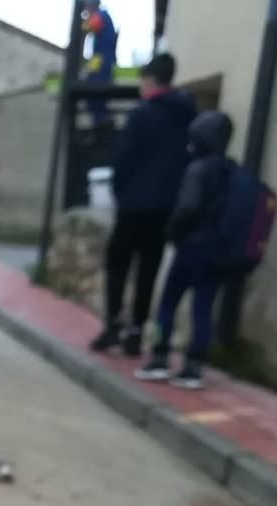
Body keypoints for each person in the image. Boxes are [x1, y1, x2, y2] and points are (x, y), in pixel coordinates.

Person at [90, 53, 196, 357]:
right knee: (148, 269)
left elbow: (122, 159)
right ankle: (136, 331)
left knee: (118, 264)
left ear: (149, 80)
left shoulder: (141, 114)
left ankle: (113, 325)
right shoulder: (186, 115)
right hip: (166, 207)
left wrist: (121, 194)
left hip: (135, 204)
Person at [135, 111, 237, 390]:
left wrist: (171, 231)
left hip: (192, 247)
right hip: (218, 252)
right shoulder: (232, 172)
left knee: (167, 304)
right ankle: (194, 368)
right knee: (203, 309)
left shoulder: (198, 169)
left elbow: (188, 208)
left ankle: (158, 358)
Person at [82, 0, 119, 126]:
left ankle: (103, 120)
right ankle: (100, 120)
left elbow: (87, 28)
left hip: (104, 61)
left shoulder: (101, 15)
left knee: (93, 90)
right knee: (88, 88)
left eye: (87, 7)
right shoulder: (100, 15)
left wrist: (83, 20)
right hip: (99, 60)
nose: (86, 10)